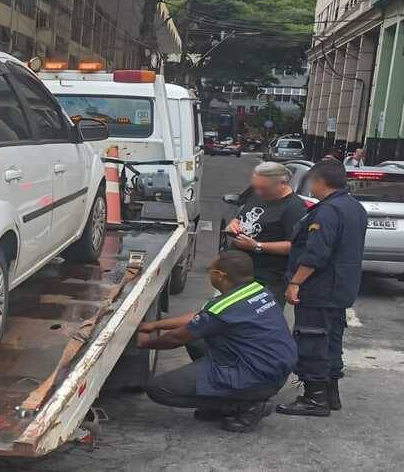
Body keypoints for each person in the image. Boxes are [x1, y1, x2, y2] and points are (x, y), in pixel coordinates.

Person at [140, 251, 297, 433]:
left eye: (211, 270)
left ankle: (244, 406)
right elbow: (200, 318)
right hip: (273, 368)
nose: (209, 273)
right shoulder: (258, 290)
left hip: (257, 375)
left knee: (158, 389)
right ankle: (229, 398)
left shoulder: (227, 305)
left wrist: (144, 344)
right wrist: (153, 325)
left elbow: (176, 338)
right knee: (196, 339)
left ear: (220, 276)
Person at [277, 161, 367, 417]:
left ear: (320, 182)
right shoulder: (354, 207)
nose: (311, 187)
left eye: (312, 182)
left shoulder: (327, 211)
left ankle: (314, 398)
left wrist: (295, 282)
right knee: (330, 338)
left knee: (312, 338)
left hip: (320, 288)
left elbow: (316, 253)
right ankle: (330, 393)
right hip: (341, 288)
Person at [225, 162, 308, 306]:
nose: (258, 192)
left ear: (282, 184)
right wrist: (234, 223)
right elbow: (241, 217)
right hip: (239, 272)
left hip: (267, 278)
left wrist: (257, 246)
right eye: (255, 187)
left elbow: (294, 245)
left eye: (264, 189)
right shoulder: (257, 195)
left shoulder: (294, 207)